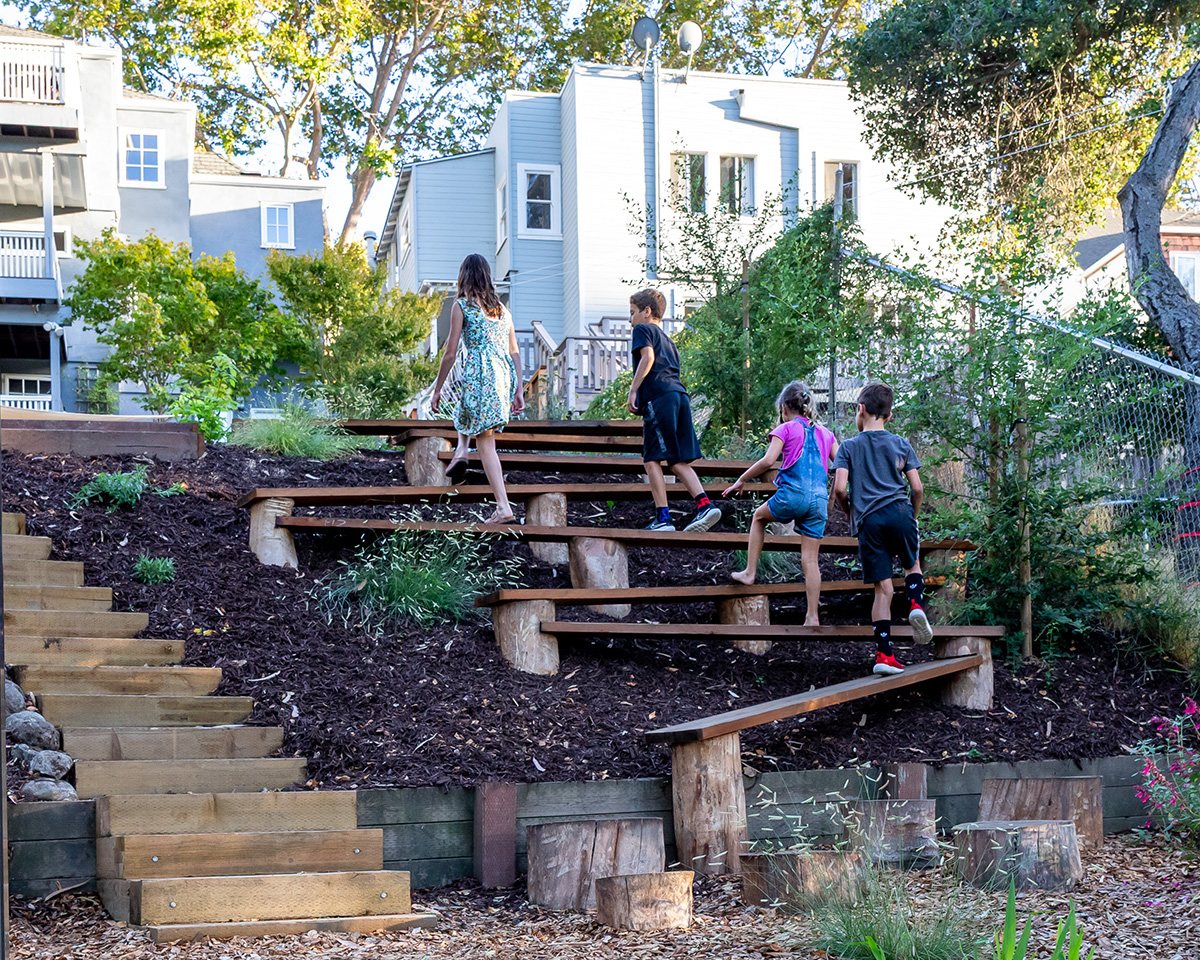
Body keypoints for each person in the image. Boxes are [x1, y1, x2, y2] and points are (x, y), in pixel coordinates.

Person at [832, 382, 932, 676]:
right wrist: (912, 516)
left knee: (883, 589)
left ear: (860, 409)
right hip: (899, 511)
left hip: (869, 521)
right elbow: (917, 488)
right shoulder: (901, 444)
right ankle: (915, 604)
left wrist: (850, 512)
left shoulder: (848, 447)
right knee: (912, 564)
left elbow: (839, 489)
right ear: (889, 416)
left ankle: (884, 655)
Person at [722, 381, 838, 626]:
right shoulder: (826, 433)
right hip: (818, 500)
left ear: (784, 407)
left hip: (793, 495)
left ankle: (750, 572)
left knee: (758, 517)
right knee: (810, 560)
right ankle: (812, 617)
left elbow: (768, 461)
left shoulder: (785, 429)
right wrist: (833, 496)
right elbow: (840, 464)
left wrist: (742, 479)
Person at [431, 254, 524, 523]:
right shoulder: (503, 312)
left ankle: (503, 507)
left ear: (463, 276)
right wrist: (518, 388)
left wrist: (437, 389)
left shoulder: (461, 306)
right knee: (465, 409)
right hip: (502, 377)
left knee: (485, 442)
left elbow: (450, 353)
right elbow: (514, 351)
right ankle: (461, 450)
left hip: (480, 374)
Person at [626, 288, 722, 533]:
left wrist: (634, 390)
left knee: (651, 459)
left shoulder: (642, 330)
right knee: (676, 459)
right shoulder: (669, 341)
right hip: (679, 396)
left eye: (632, 312)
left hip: (660, 398)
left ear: (647, 312)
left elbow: (647, 358)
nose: (630, 319)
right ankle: (705, 505)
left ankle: (663, 518)